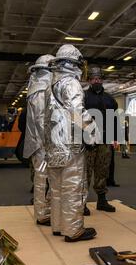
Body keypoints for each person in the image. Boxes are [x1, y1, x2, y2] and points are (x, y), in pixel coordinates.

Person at [44, 44, 98, 242]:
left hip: (54, 146)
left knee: (57, 189)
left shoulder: (51, 86)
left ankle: (58, 226)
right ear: (74, 64)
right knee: (73, 188)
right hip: (71, 146)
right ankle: (73, 230)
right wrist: (93, 132)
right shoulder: (71, 84)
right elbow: (78, 112)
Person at [23, 54, 54, 226]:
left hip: (39, 143)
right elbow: (42, 119)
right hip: (42, 145)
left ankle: (46, 210)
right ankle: (42, 214)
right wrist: (50, 143)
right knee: (42, 179)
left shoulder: (35, 86)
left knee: (45, 178)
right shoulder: (41, 89)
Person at [84, 66, 118, 213]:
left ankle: (102, 201)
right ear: (90, 80)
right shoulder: (83, 97)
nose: (96, 81)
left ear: (102, 80)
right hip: (88, 140)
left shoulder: (110, 99)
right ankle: (81, 203)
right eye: (93, 78)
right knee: (85, 172)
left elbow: (113, 120)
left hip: (105, 140)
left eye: (98, 78)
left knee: (102, 170)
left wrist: (115, 137)